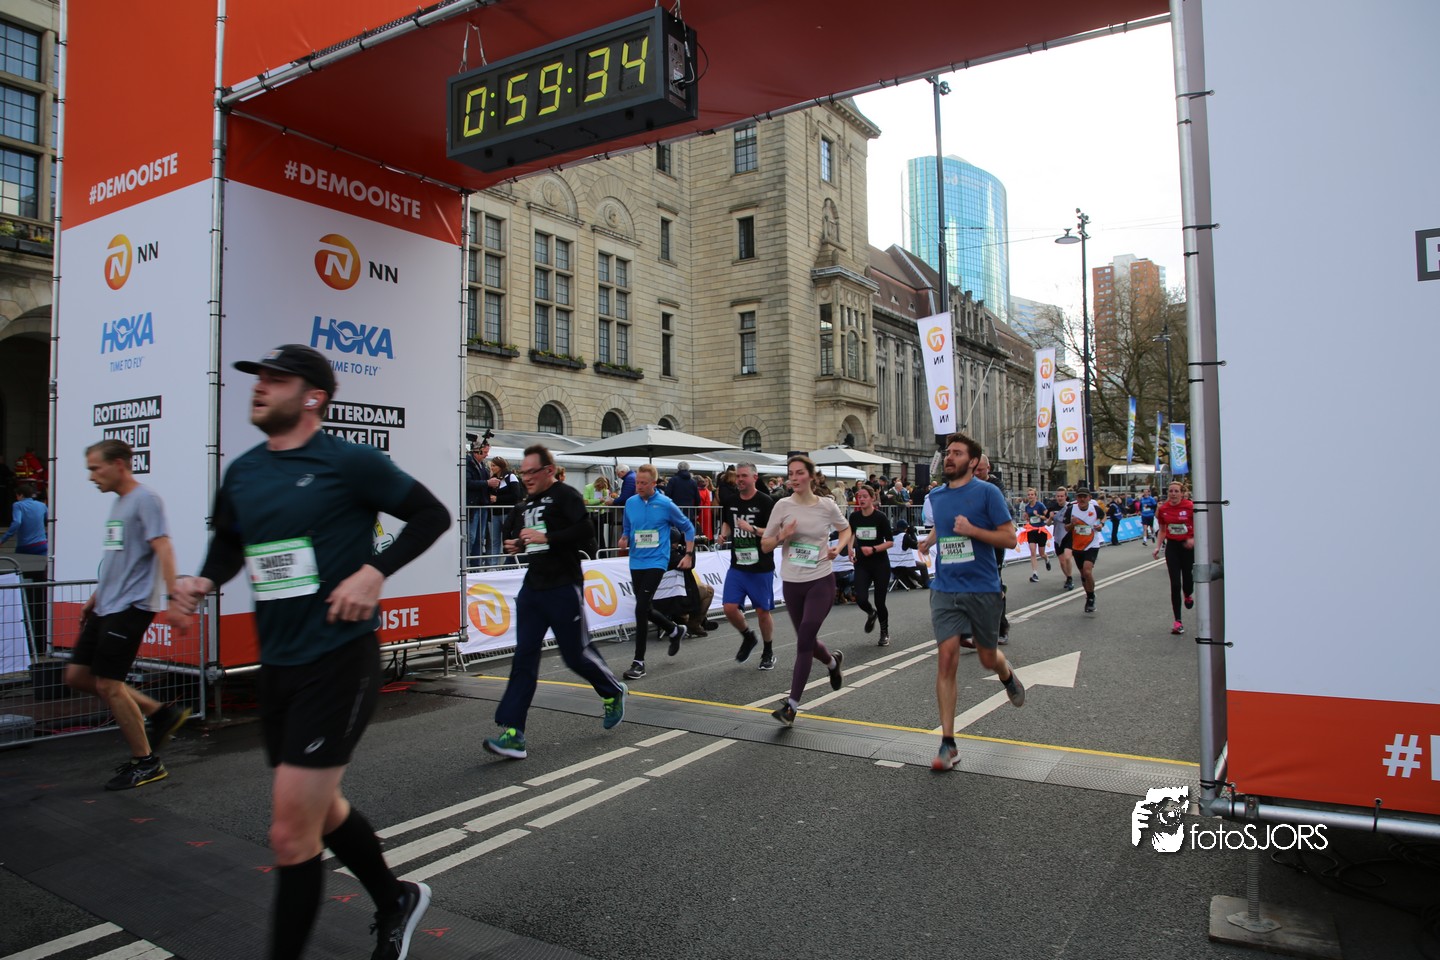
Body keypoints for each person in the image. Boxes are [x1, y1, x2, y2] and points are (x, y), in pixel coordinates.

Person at [169, 345, 449, 960]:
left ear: (313, 396)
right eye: (258, 377)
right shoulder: (244, 471)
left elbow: (432, 515)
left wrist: (374, 571)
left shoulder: (350, 462)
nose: (260, 386)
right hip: (279, 665)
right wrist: (202, 581)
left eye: (276, 378)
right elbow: (230, 545)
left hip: (339, 659)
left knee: (289, 834)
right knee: (320, 811)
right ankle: (395, 898)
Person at [482, 444, 628, 758]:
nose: (526, 477)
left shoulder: (566, 495)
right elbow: (532, 540)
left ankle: (612, 690)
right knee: (523, 659)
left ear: (549, 470)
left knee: (574, 655)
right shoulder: (526, 502)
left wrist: (547, 538)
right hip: (533, 588)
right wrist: (518, 545)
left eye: (532, 472)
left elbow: (585, 531)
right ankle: (513, 733)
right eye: (523, 472)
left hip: (563, 586)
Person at [64, 440, 188, 791]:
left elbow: (163, 548)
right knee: (77, 675)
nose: (91, 477)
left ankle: (146, 762)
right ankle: (160, 713)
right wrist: (95, 596)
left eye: (95, 468)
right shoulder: (119, 502)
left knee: (109, 684)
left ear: (119, 464)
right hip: (107, 605)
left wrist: (173, 597)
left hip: (132, 607)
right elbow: (118, 559)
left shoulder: (146, 499)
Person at [921, 433, 1024, 772]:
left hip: (982, 588)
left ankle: (1006, 673)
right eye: (948, 452)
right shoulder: (937, 496)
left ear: (973, 461)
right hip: (945, 588)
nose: (949, 457)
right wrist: (930, 541)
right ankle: (948, 742)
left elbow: (1010, 538)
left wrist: (973, 531)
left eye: (957, 453)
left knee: (986, 657)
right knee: (946, 658)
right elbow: (945, 528)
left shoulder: (987, 493)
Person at [760, 455, 849, 725]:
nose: (794, 478)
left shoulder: (827, 505)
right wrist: (782, 536)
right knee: (806, 640)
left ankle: (791, 706)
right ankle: (832, 663)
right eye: (791, 473)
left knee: (805, 637)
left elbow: (846, 530)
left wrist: (838, 548)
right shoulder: (782, 506)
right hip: (792, 583)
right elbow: (765, 545)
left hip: (820, 580)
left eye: (799, 472)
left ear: (811, 476)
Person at [618, 464, 695, 680]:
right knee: (646, 608)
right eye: (637, 483)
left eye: (643, 483)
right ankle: (674, 630)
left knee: (640, 608)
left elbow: (688, 527)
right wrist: (624, 538)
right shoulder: (631, 503)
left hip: (657, 560)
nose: (639, 486)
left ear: (654, 483)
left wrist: (689, 554)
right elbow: (627, 527)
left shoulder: (665, 504)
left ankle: (638, 662)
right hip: (636, 561)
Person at [717, 462, 778, 670]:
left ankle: (768, 651)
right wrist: (723, 534)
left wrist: (751, 528)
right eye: (738, 476)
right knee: (729, 608)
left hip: (760, 566)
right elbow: (728, 521)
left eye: (744, 476)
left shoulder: (765, 501)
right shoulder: (731, 501)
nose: (740, 480)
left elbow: (773, 532)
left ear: (754, 477)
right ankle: (748, 636)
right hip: (738, 565)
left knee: (762, 612)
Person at [848, 483, 894, 646]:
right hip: (862, 563)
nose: (861, 499)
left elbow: (890, 542)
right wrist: (850, 549)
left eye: (864, 497)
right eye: (859, 497)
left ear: (872, 498)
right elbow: (851, 534)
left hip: (880, 563)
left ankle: (884, 632)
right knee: (860, 597)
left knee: (880, 601)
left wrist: (873, 549)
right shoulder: (854, 517)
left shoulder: (880, 517)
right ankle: (870, 613)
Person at [1153, 481, 1196, 635]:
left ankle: (1188, 594)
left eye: (1176, 491)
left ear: (1182, 493)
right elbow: (1163, 530)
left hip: (1187, 546)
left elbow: (1200, 525)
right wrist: (1158, 547)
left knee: (1188, 578)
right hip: (1172, 547)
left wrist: (1193, 539)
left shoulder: (1190, 506)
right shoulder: (1163, 509)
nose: (1173, 494)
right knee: (1175, 583)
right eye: (1170, 491)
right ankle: (1178, 621)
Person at [1063, 485, 1105, 614]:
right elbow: (1066, 528)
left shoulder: (1095, 509)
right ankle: (1089, 594)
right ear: (1076, 498)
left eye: (1084, 497)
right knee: (1083, 575)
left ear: (1089, 498)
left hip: (1092, 544)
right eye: (1079, 497)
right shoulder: (1071, 510)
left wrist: (1101, 524)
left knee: (1087, 571)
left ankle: (1091, 597)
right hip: (1077, 546)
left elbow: (1103, 516)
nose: (1082, 499)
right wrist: (1072, 524)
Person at [487, 457, 523, 561]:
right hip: (494, 514)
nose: (492, 468)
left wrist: (497, 499)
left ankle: (510, 563)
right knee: (494, 540)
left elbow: (516, 495)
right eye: (491, 466)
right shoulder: (492, 479)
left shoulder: (511, 476)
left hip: (508, 513)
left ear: (500, 466)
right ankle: (493, 566)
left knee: (507, 538)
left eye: (494, 466)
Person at [464, 438, 493, 563]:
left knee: (479, 538)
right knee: (471, 537)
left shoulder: (481, 465)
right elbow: (467, 483)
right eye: (485, 452)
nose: (487, 455)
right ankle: (466, 564)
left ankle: (475, 565)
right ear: (477, 452)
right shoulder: (468, 464)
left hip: (481, 505)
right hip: (473, 505)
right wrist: (487, 483)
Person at [1, 481, 47, 554]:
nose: (16, 498)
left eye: (17, 495)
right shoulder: (42, 505)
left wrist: (3, 539)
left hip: (25, 545)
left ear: (21, 495)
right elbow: (49, 520)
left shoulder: (18, 505)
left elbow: (17, 522)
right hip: (42, 544)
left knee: (19, 560)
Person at [888, 518, 930, 590]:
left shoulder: (891, 535)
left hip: (892, 564)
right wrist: (912, 533)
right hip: (903, 563)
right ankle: (926, 584)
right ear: (906, 528)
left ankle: (920, 582)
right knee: (923, 566)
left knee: (910, 569)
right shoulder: (904, 536)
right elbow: (916, 545)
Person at [1020, 487, 1049, 583]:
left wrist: (1038, 516)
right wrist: (1026, 517)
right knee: (1032, 552)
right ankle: (1035, 574)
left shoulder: (1040, 505)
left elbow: (1047, 517)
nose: (1030, 496)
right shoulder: (1027, 507)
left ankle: (1046, 559)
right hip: (1031, 531)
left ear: (1035, 496)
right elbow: (1027, 518)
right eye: (1029, 495)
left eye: (1032, 494)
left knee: (1041, 553)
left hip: (1041, 531)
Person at [1050, 485, 1075, 591]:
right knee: (1062, 561)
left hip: (1068, 535)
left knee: (1068, 557)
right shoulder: (1052, 507)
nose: (1060, 498)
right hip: (1058, 536)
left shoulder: (1070, 507)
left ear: (1065, 497)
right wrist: (1050, 518)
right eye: (1058, 496)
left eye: (1062, 496)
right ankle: (1068, 577)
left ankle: (1070, 578)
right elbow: (1047, 523)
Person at [696, 474, 715, 541]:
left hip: (702, 513)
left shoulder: (700, 491)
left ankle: (703, 541)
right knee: (707, 529)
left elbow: (700, 503)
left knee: (702, 529)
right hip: (706, 512)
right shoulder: (706, 490)